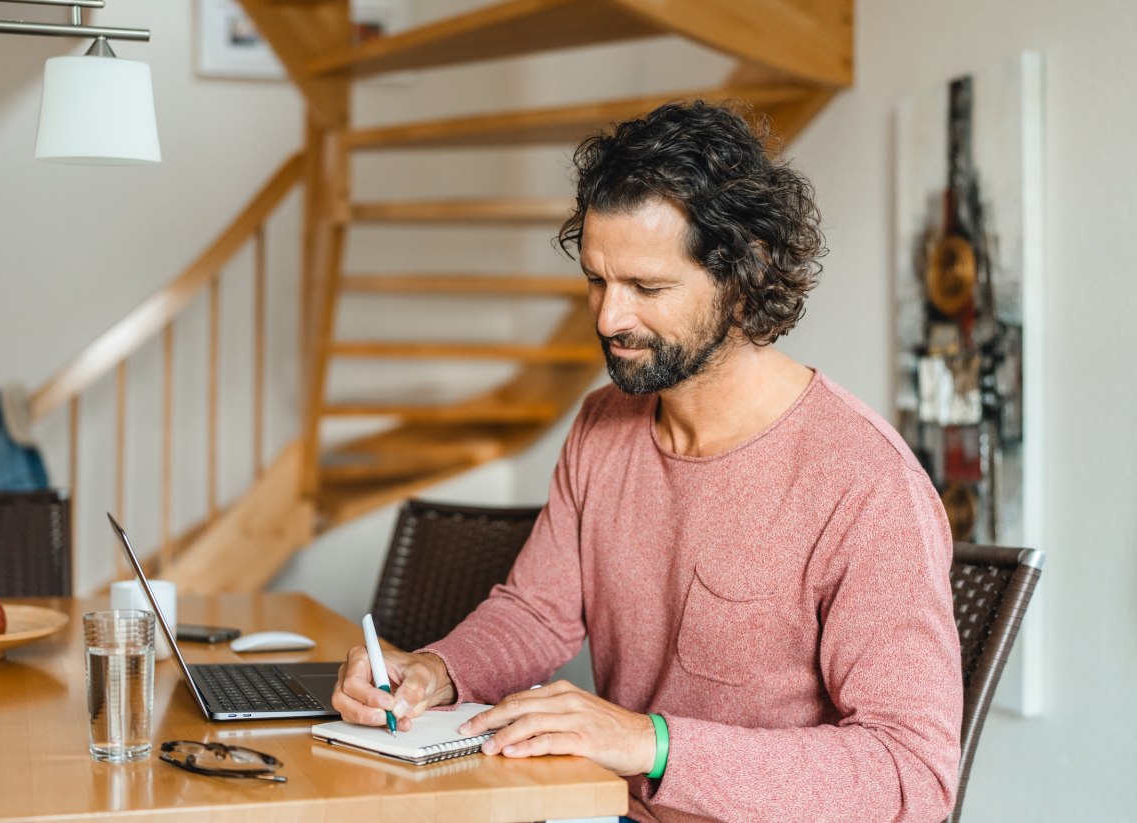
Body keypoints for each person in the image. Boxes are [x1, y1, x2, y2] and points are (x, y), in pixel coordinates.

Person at [332, 101, 964, 823]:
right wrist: (438, 671)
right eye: (598, 279)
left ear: (745, 273)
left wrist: (650, 742)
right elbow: (537, 611)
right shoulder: (605, 424)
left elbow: (911, 774)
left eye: (647, 288)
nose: (608, 318)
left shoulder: (864, 480)